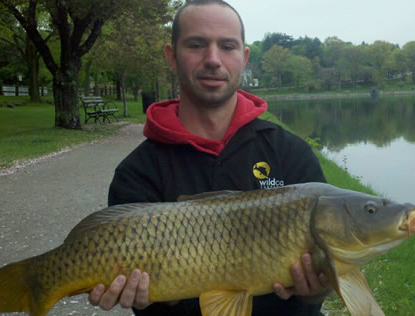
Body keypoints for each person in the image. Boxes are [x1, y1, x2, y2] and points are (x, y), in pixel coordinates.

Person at [88, 0, 330, 314]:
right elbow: (146, 305)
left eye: (227, 46)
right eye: (197, 45)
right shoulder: (138, 172)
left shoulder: (291, 154)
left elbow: (314, 296)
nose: (213, 60)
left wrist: (316, 292)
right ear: (171, 56)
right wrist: (156, 295)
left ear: (243, 58)